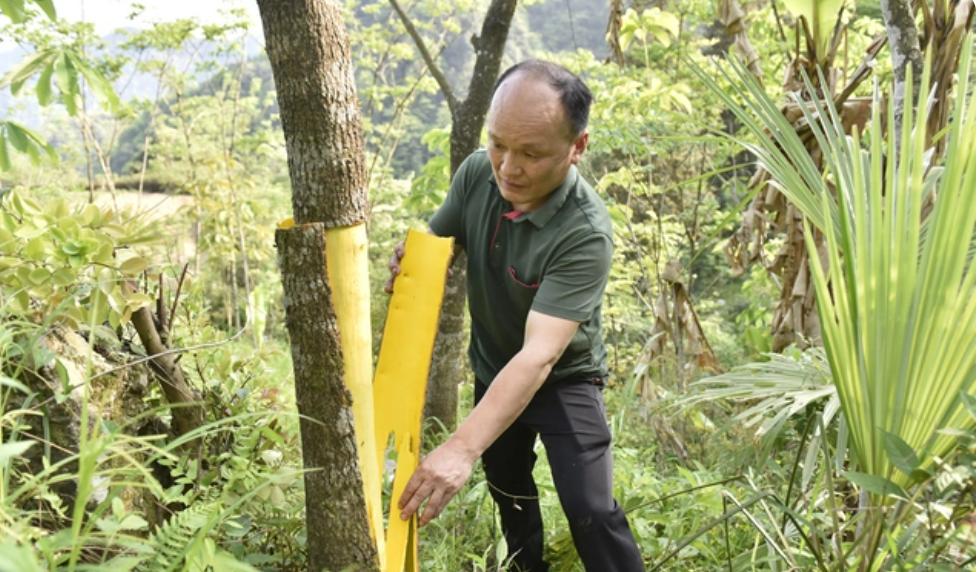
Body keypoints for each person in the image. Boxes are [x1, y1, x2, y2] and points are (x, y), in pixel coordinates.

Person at [389, 59, 644, 571]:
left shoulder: (584, 231)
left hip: (562, 376)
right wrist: (416, 261)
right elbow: (443, 242)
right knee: (510, 495)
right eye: (498, 143)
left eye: (530, 153)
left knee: (591, 510)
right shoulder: (476, 174)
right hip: (493, 366)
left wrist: (460, 447)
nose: (507, 168)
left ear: (578, 148)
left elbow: (539, 357)